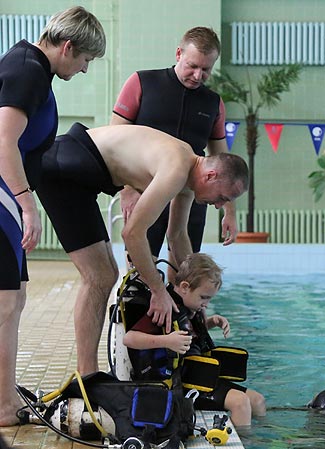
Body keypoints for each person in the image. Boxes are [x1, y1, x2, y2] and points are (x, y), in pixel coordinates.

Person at [35, 123, 248, 379]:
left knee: (104, 275)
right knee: (99, 277)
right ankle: (87, 377)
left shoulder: (190, 173)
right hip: (65, 165)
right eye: (222, 197)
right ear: (211, 176)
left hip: (80, 169)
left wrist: (195, 287)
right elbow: (133, 233)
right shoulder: (176, 169)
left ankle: (88, 374)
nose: (218, 206)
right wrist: (158, 290)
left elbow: (177, 234)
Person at [0, 6, 106, 426]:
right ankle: (3, 407)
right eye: (85, 60)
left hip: (7, 198)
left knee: (13, 299)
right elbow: (4, 141)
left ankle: (5, 397)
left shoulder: (32, 69)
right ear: (67, 47)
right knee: (6, 302)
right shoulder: (27, 69)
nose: (83, 69)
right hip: (5, 198)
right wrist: (28, 204)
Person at [111, 26, 236, 265]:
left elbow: (223, 163)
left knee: (184, 275)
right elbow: (115, 139)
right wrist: (126, 190)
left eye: (206, 69)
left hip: (191, 195)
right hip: (145, 190)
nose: (198, 75)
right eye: (193, 66)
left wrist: (229, 211)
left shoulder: (213, 103)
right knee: (139, 275)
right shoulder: (142, 83)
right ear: (179, 54)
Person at [123, 253, 266, 427]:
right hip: (179, 384)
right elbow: (129, 338)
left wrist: (210, 323)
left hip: (199, 376)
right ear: (184, 287)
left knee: (257, 401)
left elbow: (186, 332)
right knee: (240, 403)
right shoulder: (164, 308)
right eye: (204, 297)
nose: (206, 304)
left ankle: (259, 447)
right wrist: (166, 341)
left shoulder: (188, 307)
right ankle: (245, 442)